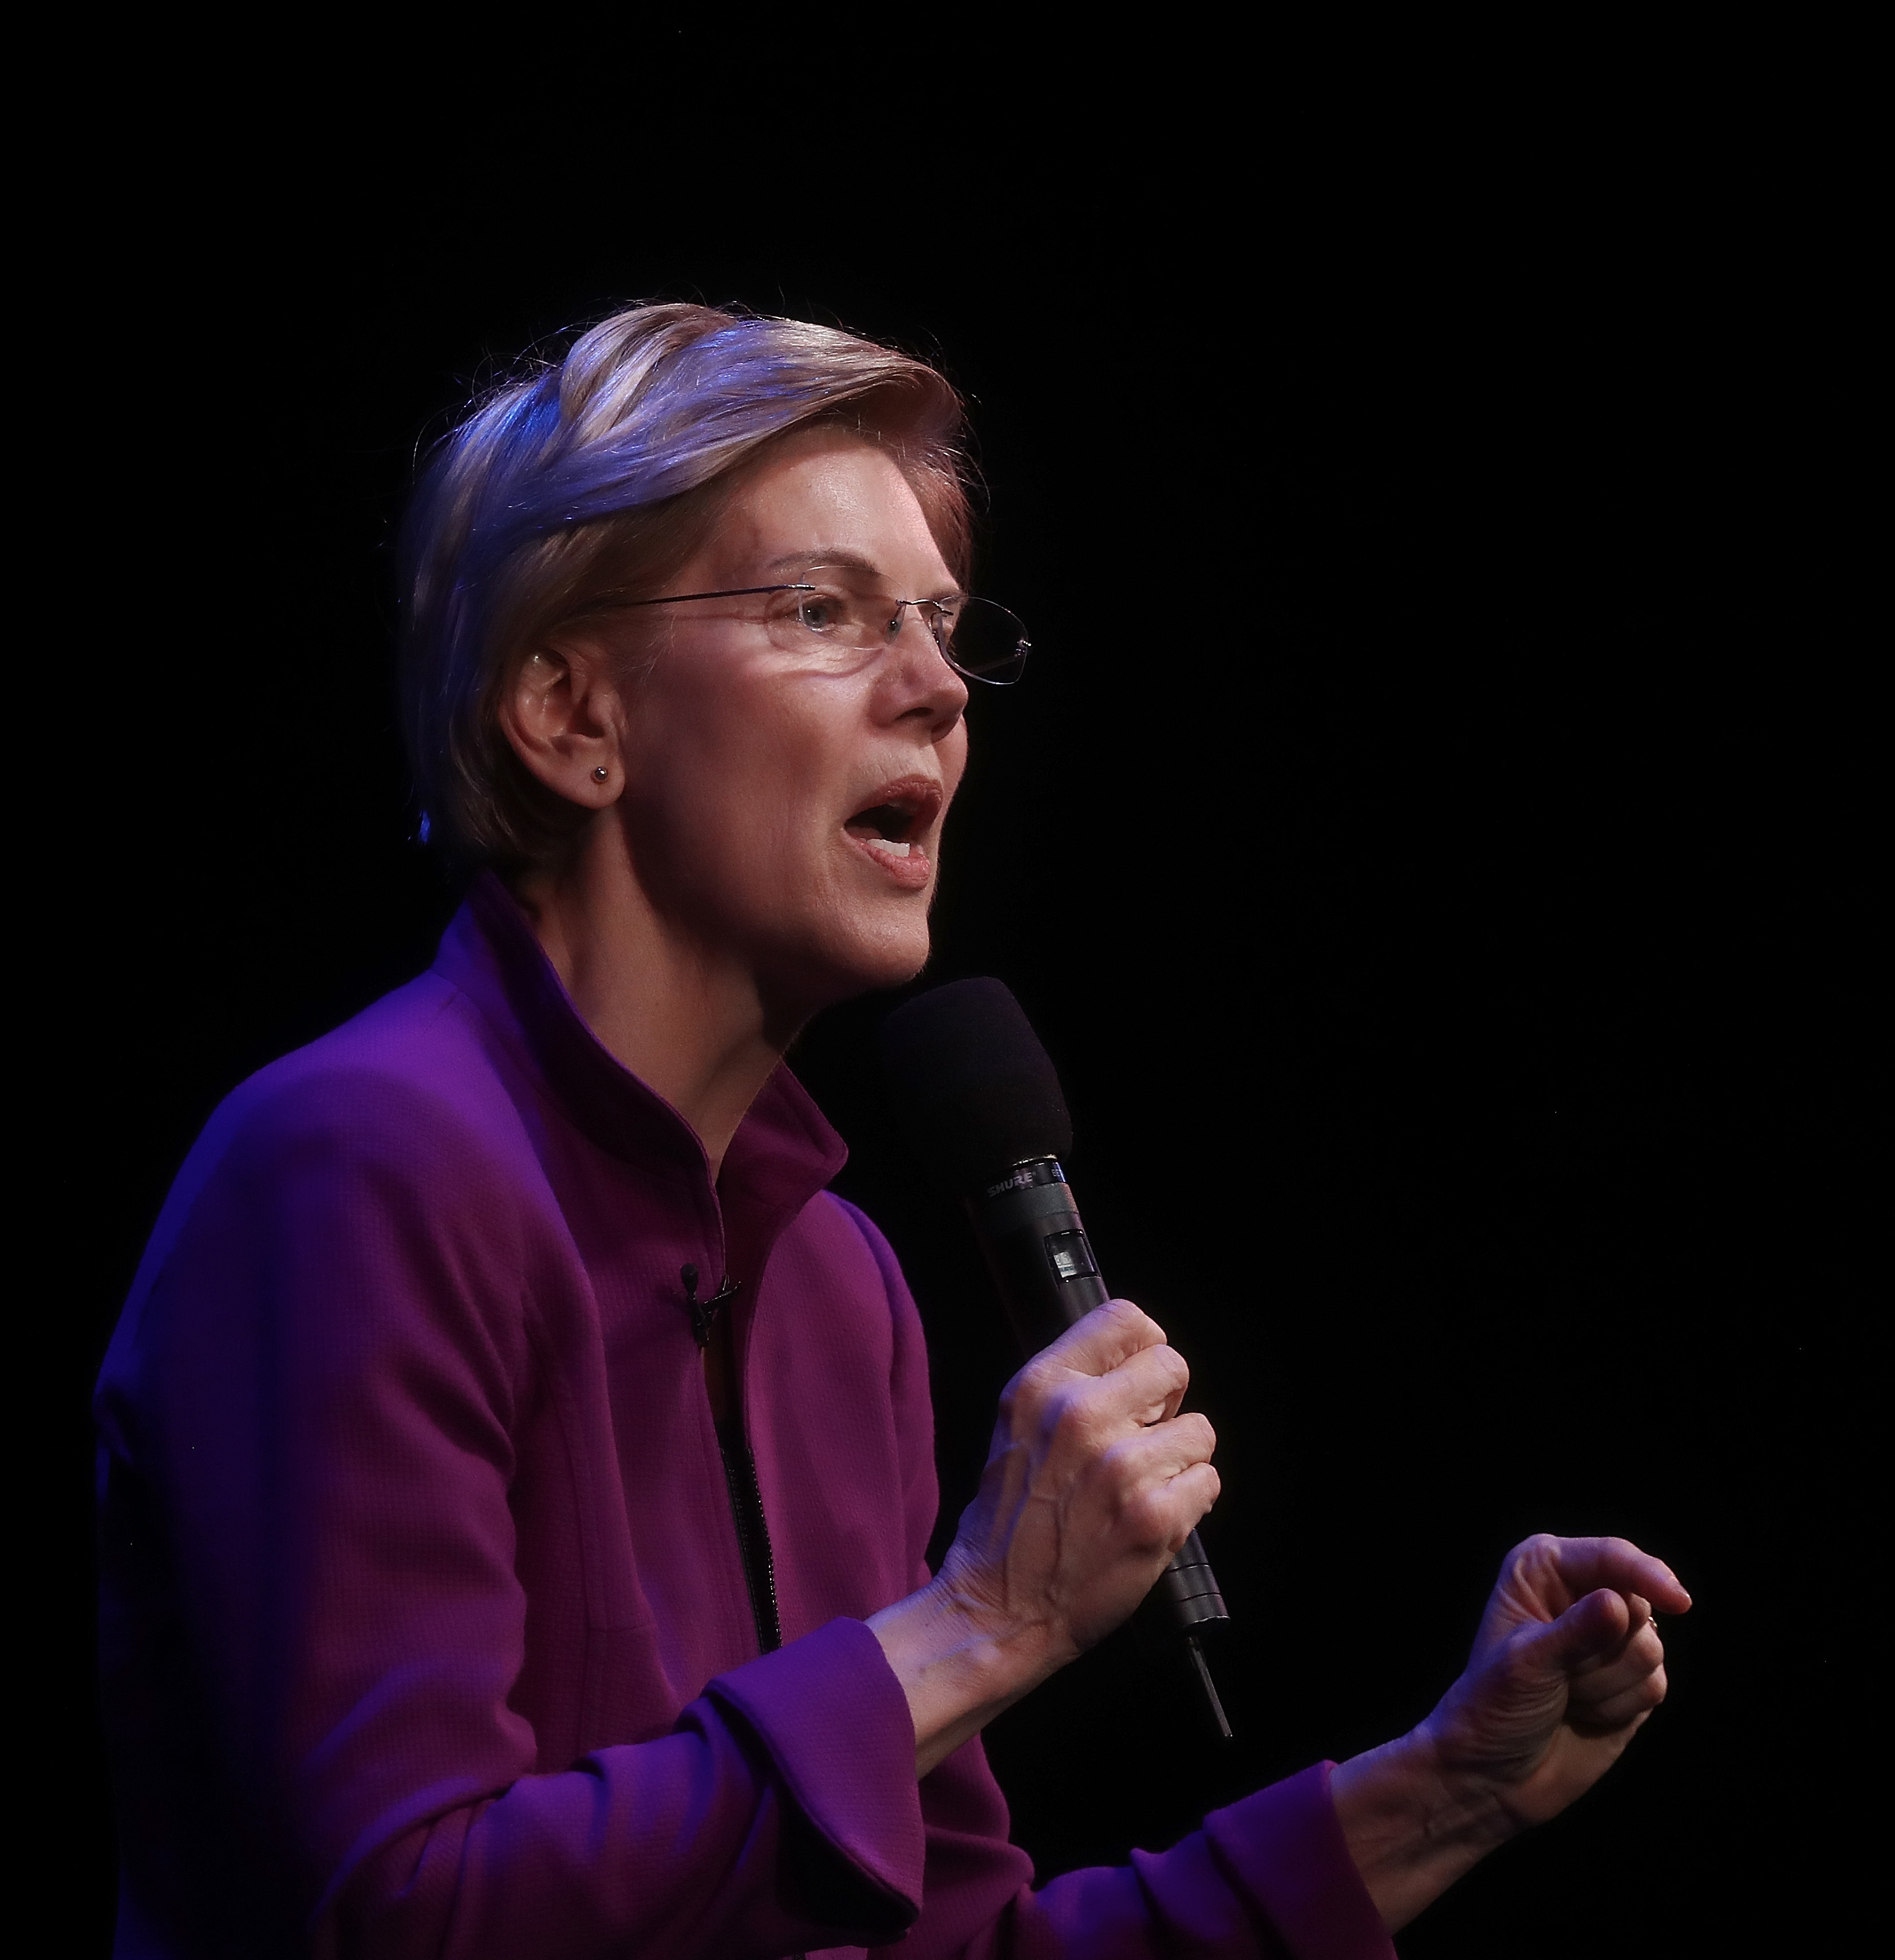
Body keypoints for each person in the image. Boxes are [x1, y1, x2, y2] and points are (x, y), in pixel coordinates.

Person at [93, 302, 1689, 1958]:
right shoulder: (357, 1167)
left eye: (941, 624)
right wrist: (979, 1623)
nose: (936, 690)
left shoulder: (835, 1290)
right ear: (571, 715)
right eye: (821, 611)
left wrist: (1442, 1796)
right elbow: (401, 1917)